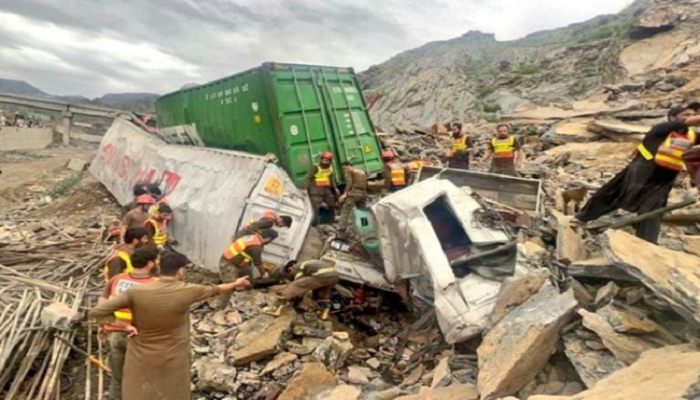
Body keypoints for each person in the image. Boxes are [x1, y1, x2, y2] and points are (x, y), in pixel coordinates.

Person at [89, 252, 251, 400]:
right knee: (173, 389)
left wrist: (124, 326)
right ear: (180, 271)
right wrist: (236, 283)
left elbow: (98, 312)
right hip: (174, 355)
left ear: (160, 268)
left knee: (139, 387)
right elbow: (216, 289)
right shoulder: (188, 290)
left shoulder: (137, 292)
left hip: (140, 353)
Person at [576, 105, 700, 243]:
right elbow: (688, 122)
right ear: (672, 118)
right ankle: (582, 218)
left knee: (653, 207)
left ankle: (647, 242)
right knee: (613, 194)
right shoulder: (661, 129)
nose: (690, 117)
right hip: (643, 169)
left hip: (665, 177)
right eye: (686, 115)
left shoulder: (692, 135)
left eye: (693, 114)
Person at [100, 246, 159, 400]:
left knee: (118, 380)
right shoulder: (156, 285)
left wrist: (105, 327)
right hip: (139, 338)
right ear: (151, 264)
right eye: (158, 260)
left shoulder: (117, 279)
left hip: (116, 335)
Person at [262, 259, 339, 320]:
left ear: (290, 269)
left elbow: (298, 287)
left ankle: (276, 310)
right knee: (321, 295)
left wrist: (292, 297)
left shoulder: (297, 268)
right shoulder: (305, 265)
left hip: (322, 275)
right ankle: (324, 314)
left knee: (293, 286)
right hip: (334, 277)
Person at [304, 152, 338, 225]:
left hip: (326, 189)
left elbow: (332, 179)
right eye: (324, 159)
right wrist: (305, 189)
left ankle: (330, 219)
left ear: (330, 161)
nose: (325, 161)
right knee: (315, 208)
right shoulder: (315, 166)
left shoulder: (331, 168)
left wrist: (335, 188)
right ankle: (315, 223)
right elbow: (307, 178)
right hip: (316, 190)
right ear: (321, 159)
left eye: (327, 160)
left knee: (332, 204)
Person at [338, 161, 368, 238]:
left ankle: (341, 231)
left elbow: (349, 182)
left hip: (354, 193)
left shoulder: (349, 170)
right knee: (362, 211)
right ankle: (365, 229)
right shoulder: (361, 171)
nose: (344, 170)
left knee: (345, 210)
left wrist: (344, 194)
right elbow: (365, 183)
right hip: (363, 193)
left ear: (348, 166)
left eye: (344, 168)